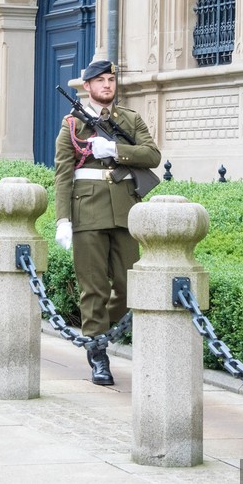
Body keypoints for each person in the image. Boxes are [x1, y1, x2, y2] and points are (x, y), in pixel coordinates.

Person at [53, 60, 161, 385]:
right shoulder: (72, 124)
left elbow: (152, 155)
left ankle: (96, 331)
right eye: (99, 81)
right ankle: (98, 352)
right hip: (87, 212)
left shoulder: (130, 119)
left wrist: (115, 148)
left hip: (125, 210)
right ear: (87, 87)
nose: (106, 85)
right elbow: (62, 176)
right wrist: (62, 219)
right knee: (94, 288)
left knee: (130, 286)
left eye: (110, 79)